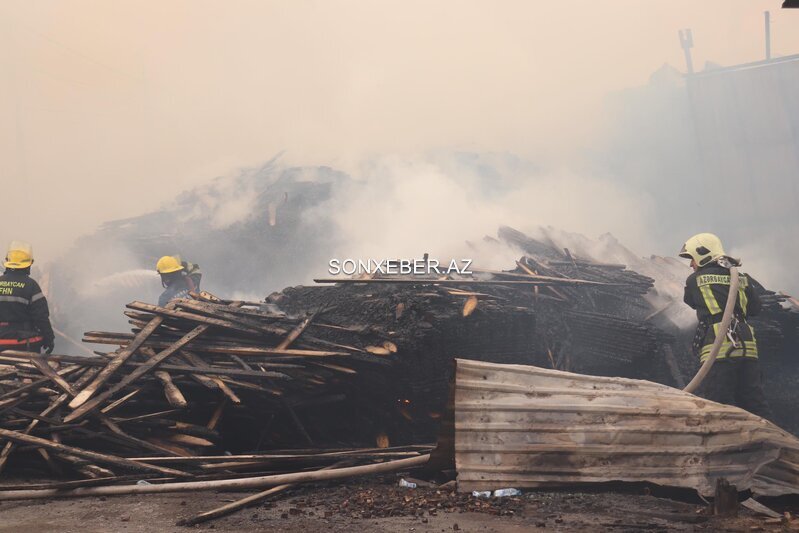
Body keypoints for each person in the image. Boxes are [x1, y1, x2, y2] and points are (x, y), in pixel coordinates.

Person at [679, 232, 772, 420]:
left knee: (718, 404)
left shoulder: (694, 280)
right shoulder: (742, 278)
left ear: (703, 253)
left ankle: (724, 437)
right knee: (754, 402)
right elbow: (755, 308)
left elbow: (691, 301)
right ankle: (770, 434)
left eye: (692, 259)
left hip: (718, 347)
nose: (691, 264)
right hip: (747, 347)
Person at [0, 241, 55, 354]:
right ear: (28, 265)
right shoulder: (31, 285)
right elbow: (41, 317)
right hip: (23, 344)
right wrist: (49, 339)